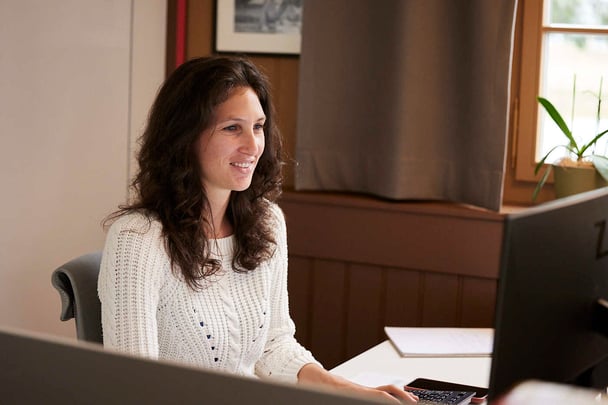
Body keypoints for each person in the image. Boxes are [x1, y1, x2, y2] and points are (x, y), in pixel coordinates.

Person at [98, 55, 418, 404]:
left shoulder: (266, 221)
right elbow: (134, 387)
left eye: (258, 126)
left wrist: (356, 393)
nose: (252, 147)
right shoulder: (138, 240)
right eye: (232, 127)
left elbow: (274, 346)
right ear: (184, 136)